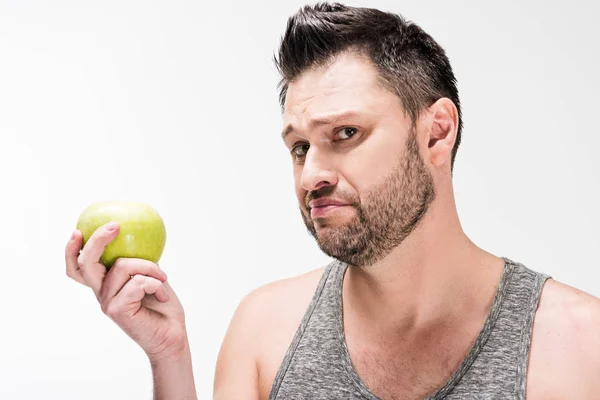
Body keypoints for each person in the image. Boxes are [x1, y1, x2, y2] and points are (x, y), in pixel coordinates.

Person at [65, 3, 600, 399]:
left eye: (345, 133)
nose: (311, 174)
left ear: (437, 133)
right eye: (299, 146)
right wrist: (169, 359)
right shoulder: (263, 331)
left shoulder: (578, 344)